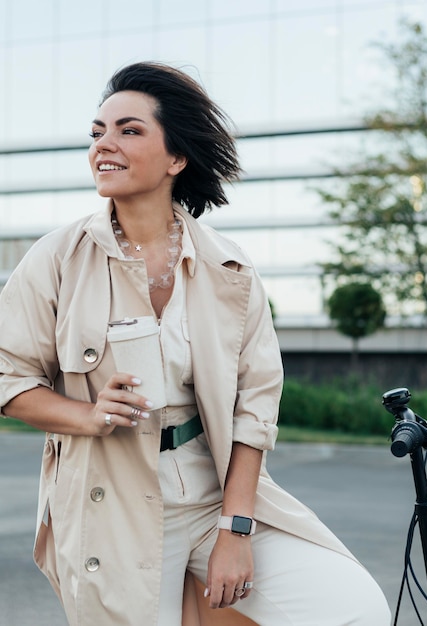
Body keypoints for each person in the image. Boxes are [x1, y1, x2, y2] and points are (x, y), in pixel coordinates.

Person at [0, 62, 391, 626]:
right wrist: (89, 414)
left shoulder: (227, 266)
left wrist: (236, 529)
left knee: (352, 608)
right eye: (97, 132)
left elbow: (255, 406)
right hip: (108, 503)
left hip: (211, 496)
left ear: (177, 158)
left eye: (128, 131)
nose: (103, 146)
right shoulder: (55, 259)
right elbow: (10, 382)